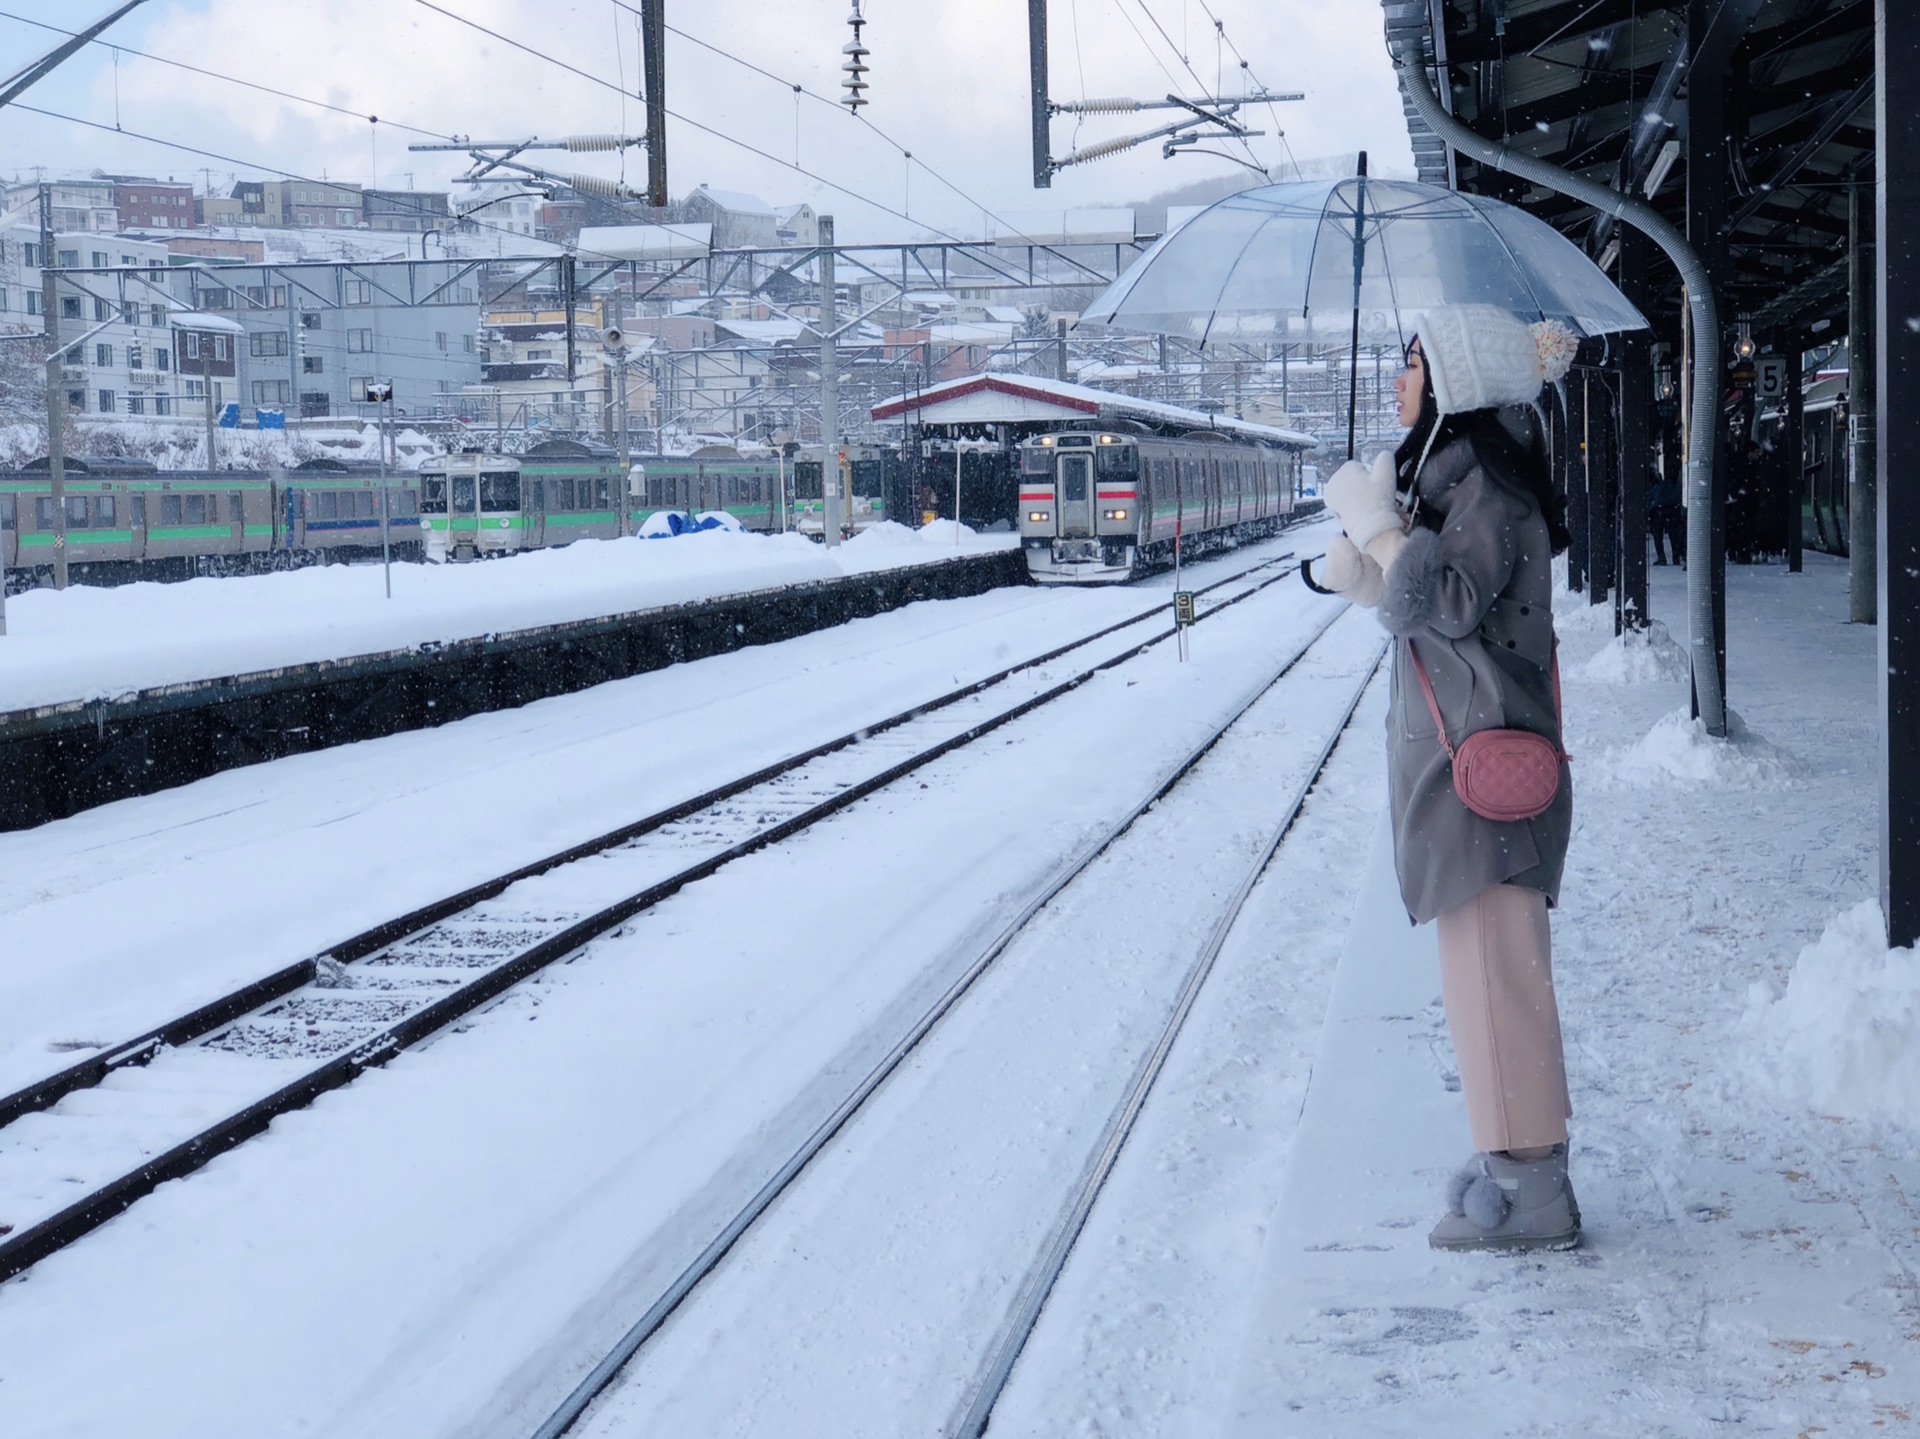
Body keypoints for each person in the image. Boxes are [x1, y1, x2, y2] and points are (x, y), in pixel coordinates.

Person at [1314, 304, 1580, 1252]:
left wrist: (1387, 535)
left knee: (1497, 977)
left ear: (1458, 381)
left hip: (1485, 769)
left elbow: (1454, 601)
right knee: (1488, 979)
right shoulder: (1458, 483)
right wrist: (1369, 561)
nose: (1398, 380)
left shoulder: (1488, 492)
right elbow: (1427, 603)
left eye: (1414, 362)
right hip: (1469, 762)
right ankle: (1515, 1159)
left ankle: (1530, 1190)